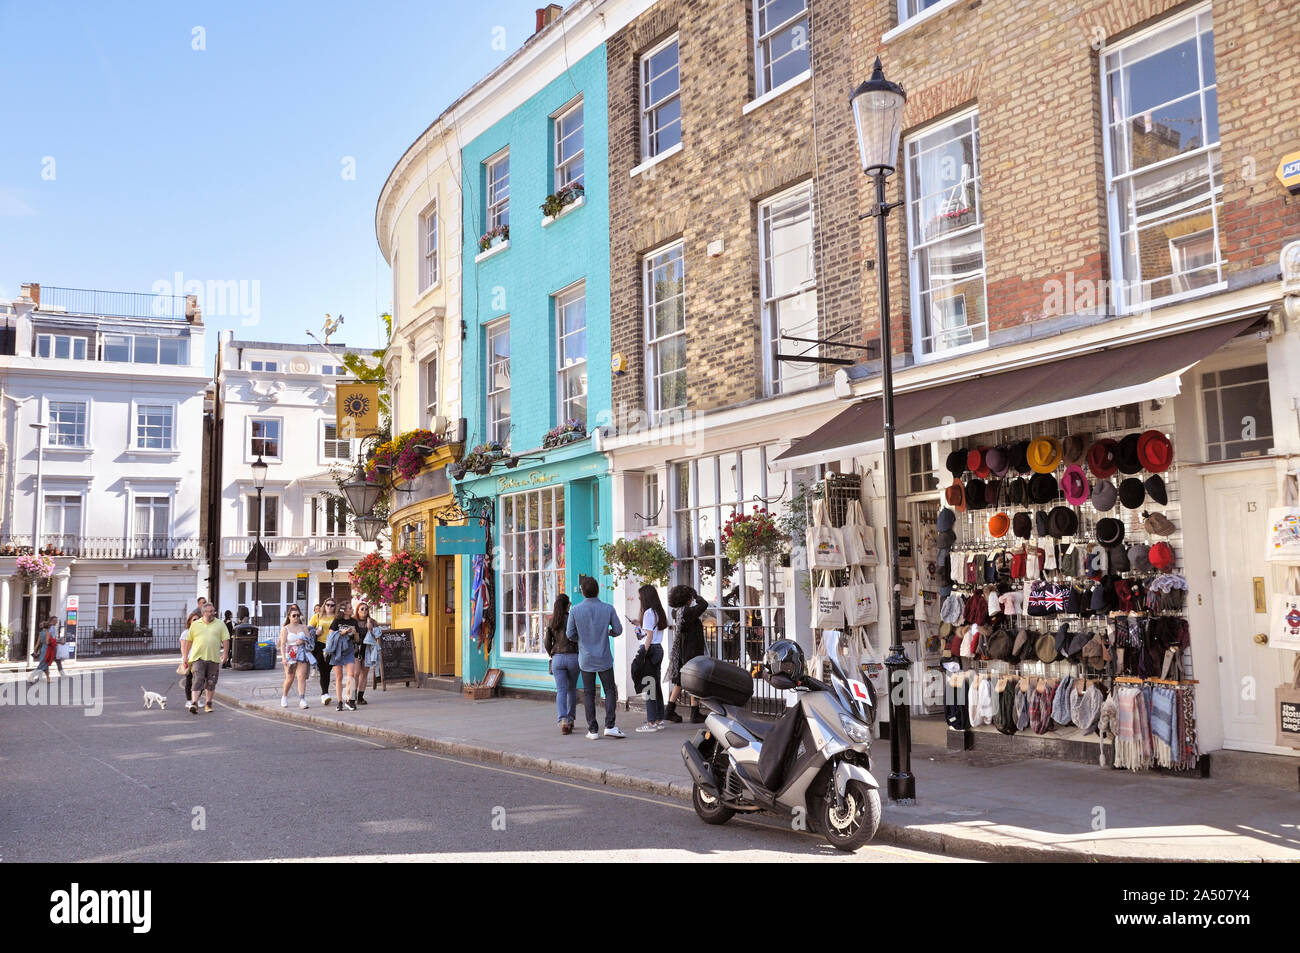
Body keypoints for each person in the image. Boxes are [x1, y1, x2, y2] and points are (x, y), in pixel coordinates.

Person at [566, 575, 624, 740]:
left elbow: (570, 634)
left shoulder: (575, 610)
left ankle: (593, 730)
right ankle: (610, 726)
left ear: (583, 592)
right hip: (604, 657)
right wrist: (609, 632)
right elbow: (618, 630)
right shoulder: (608, 608)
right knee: (610, 690)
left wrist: (582, 639)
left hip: (586, 658)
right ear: (597, 591)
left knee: (589, 693)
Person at [665, 585, 710, 724]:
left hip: (682, 649)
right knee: (692, 680)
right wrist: (695, 595)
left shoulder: (676, 612)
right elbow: (704, 604)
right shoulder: (688, 613)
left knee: (681, 680)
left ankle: (670, 710)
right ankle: (694, 713)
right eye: (690, 597)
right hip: (691, 649)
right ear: (687, 599)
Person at [181, 602, 230, 714]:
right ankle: (194, 703)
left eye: (213, 611)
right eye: (210, 611)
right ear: (203, 613)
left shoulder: (220, 624)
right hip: (198, 657)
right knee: (198, 679)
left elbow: (226, 639)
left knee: (211, 682)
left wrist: (225, 654)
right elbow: (188, 641)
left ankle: (208, 703)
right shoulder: (195, 624)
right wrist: (185, 656)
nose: (212, 613)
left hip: (213, 658)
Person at [633, 585, 669, 732]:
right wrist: (638, 625)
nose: (639, 598)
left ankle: (651, 722)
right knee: (656, 686)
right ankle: (659, 718)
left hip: (650, 650)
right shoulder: (657, 611)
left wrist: (643, 653)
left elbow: (648, 636)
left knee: (648, 686)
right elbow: (648, 632)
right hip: (658, 649)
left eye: (640, 596)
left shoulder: (648, 612)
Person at [543, 594, 579, 734]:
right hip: (573, 657)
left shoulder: (551, 621)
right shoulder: (572, 618)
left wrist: (551, 653)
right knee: (571, 689)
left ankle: (562, 720)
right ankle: (570, 718)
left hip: (557, 658)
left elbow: (547, 642)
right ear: (567, 605)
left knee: (561, 690)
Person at [325, 598, 359, 712]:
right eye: (350, 608)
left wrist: (354, 633)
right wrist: (342, 632)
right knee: (339, 677)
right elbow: (330, 636)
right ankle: (339, 702)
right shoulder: (337, 621)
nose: (352, 609)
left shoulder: (354, 622)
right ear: (344, 610)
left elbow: (358, 639)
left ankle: (349, 700)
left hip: (349, 649)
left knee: (351, 675)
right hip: (337, 650)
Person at [278, 607, 312, 709]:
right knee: (290, 678)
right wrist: (283, 658)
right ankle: (284, 696)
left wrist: (303, 641)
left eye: (298, 615)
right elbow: (283, 644)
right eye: (294, 615)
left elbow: (310, 640)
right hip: (291, 654)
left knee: (301, 676)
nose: (296, 617)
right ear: (289, 617)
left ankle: (302, 699)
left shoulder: (303, 627)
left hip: (302, 653)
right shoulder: (286, 628)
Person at [354, 601, 380, 706]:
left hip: (367, 650)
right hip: (355, 649)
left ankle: (360, 697)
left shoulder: (372, 622)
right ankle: (352, 695)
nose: (364, 611)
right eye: (362, 609)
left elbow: (378, 636)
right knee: (355, 673)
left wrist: (370, 628)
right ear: (358, 610)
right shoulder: (353, 621)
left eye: (366, 609)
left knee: (364, 674)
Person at [26, 617, 64, 685]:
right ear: (48, 627)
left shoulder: (41, 633)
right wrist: (53, 641)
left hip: (42, 649)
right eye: (50, 627)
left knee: (45, 665)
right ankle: (31, 676)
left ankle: (48, 679)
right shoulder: (48, 633)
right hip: (48, 649)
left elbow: (37, 644)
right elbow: (47, 642)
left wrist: (35, 651)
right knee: (43, 664)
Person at [313, 598, 336, 705]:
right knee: (323, 669)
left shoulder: (337, 617)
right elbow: (308, 629)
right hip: (319, 645)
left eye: (332, 605)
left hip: (332, 646)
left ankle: (324, 693)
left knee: (328, 669)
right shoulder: (317, 616)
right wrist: (315, 632)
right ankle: (325, 693)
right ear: (324, 605)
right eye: (328, 605)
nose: (330, 607)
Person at [179, 609, 201, 698]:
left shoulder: (201, 632)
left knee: (200, 680)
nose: (196, 621)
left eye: (198, 619)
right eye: (194, 620)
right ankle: (189, 700)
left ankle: (196, 699)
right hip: (189, 659)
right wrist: (185, 659)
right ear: (190, 622)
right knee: (190, 680)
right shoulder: (186, 633)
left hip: (200, 659)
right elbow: (183, 648)